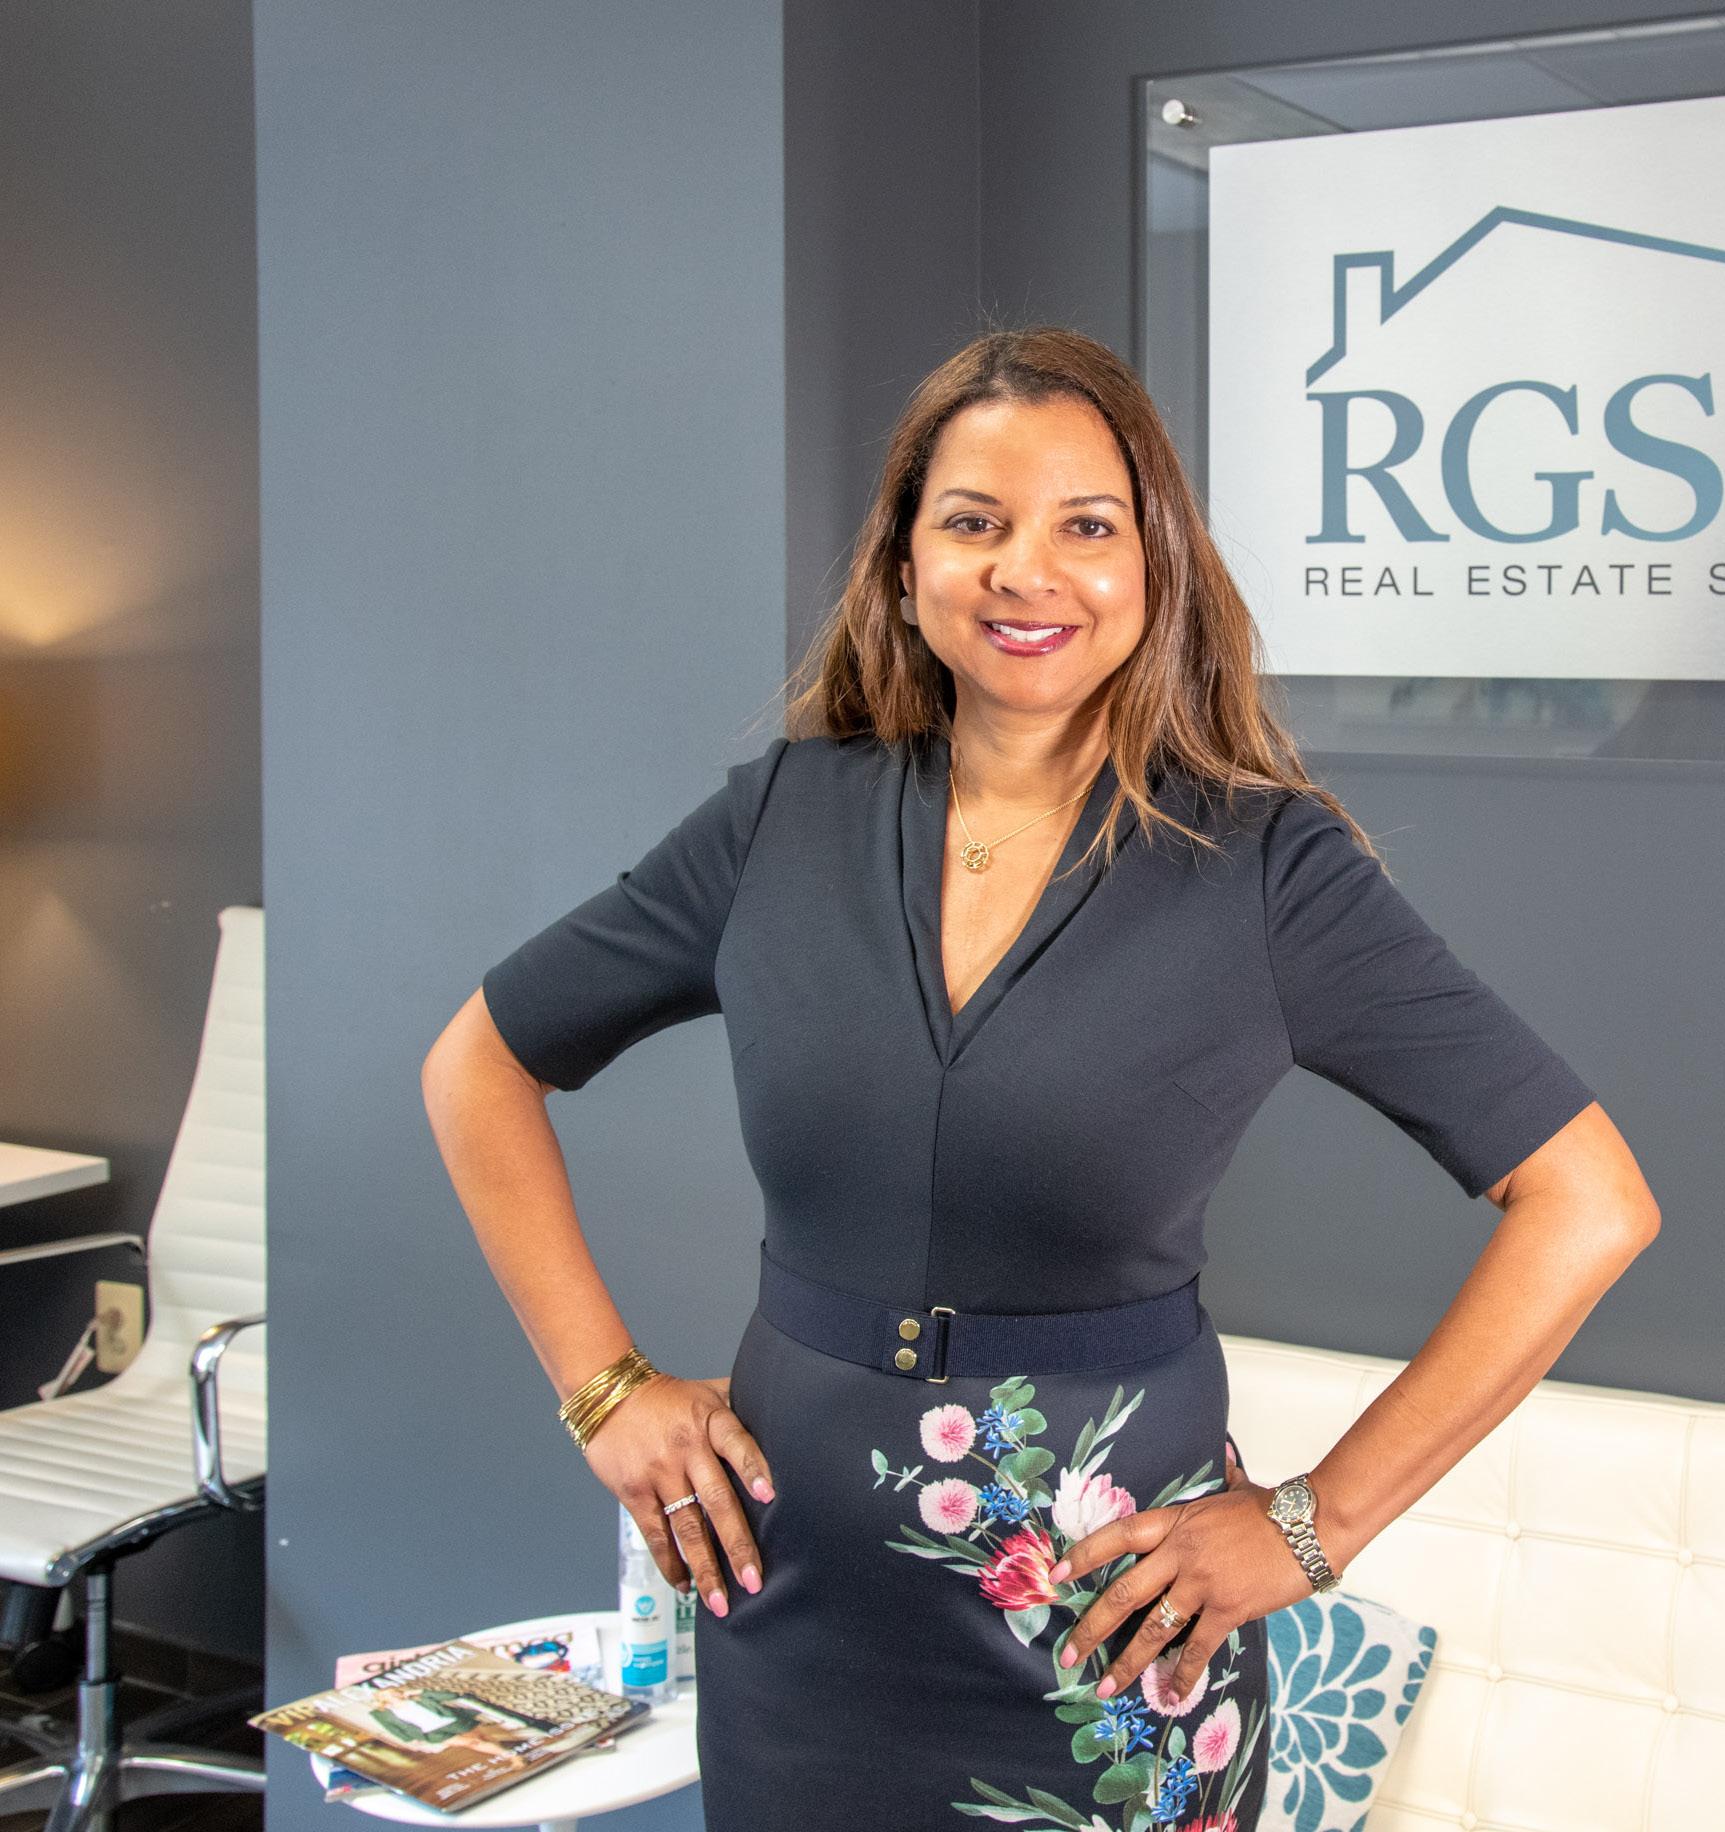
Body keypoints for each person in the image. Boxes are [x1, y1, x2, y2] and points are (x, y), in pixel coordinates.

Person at [420, 324, 1662, 1828]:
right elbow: (479, 1064)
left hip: (1102, 1643)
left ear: (1156, 568)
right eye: (975, 522)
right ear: (904, 567)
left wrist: (1316, 1525)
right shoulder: (781, 822)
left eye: (1087, 526)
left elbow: (1589, 1199)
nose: (1028, 572)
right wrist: (603, 1389)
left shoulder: (1264, 867)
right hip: (792, 1622)